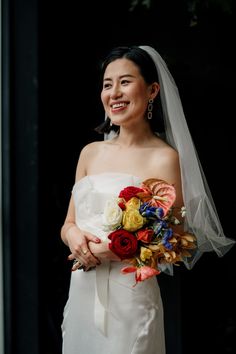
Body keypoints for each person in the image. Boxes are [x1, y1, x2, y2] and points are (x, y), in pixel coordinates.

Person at [60, 45, 235, 354]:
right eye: (107, 84)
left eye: (125, 81)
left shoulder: (164, 159)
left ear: (152, 90)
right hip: (83, 292)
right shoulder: (90, 152)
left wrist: (113, 249)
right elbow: (69, 223)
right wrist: (73, 236)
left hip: (130, 297)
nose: (114, 92)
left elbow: (173, 241)